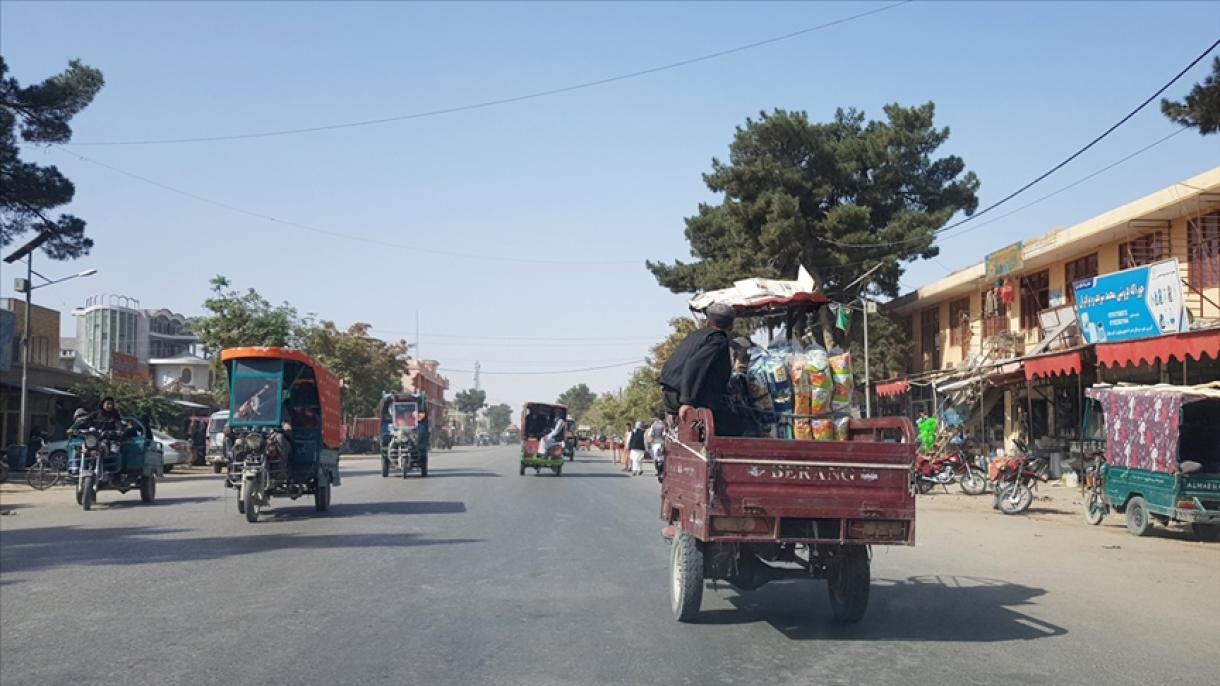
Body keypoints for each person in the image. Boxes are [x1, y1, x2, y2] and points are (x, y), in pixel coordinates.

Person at [658, 302, 737, 435]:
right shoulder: (718, 340)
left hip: (671, 393)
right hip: (688, 398)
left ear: (707, 322)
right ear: (731, 326)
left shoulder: (695, 336)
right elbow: (693, 366)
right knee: (738, 426)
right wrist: (687, 401)